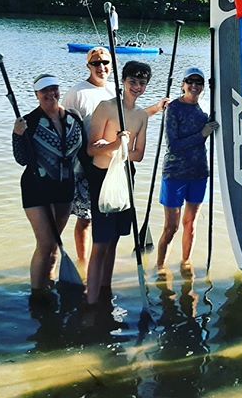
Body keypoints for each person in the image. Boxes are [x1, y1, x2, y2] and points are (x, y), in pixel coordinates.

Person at [62, 47, 168, 270]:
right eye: (96, 63)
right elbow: (65, 126)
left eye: (105, 62)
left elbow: (132, 117)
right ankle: (84, 263)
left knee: (103, 224)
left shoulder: (115, 89)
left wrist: (157, 108)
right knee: (85, 216)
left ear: (112, 66)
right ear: (88, 66)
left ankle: (99, 264)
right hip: (85, 162)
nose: (101, 67)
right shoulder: (77, 92)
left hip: (116, 164)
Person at [12, 74, 86, 302]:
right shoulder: (28, 121)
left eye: (53, 89)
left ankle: (50, 284)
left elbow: (82, 153)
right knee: (45, 243)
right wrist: (17, 135)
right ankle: (36, 295)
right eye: (44, 91)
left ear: (59, 90)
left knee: (54, 243)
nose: (50, 94)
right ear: (36, 95)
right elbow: (21, 159)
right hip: (36, 188)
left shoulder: (74, 118)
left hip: (65, 188)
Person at [85, 60, 151, 306]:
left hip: (125, 179)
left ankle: (105, 291)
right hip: (101, 180)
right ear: (122, 81)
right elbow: (92, 150)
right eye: (132, 81)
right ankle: (91, 303)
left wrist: (116, 149)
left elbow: (139, 154)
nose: (136, 86)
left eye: (141, 83)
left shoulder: (142, 115)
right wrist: (116, 144)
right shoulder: (106, 107)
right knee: (100, 243)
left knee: (113, 241)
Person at [156, 67, 219, 275]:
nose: (194, 85)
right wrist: (202, 134)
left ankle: (185, 261)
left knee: (190, 225)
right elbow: (173, 145)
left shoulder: (205, 110)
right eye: (190, 81)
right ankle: (161, 266)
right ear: (182, 84)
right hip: (175, 174)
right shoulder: (173, 108)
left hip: (199, 173)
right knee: (171, 226)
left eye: (198, 82)